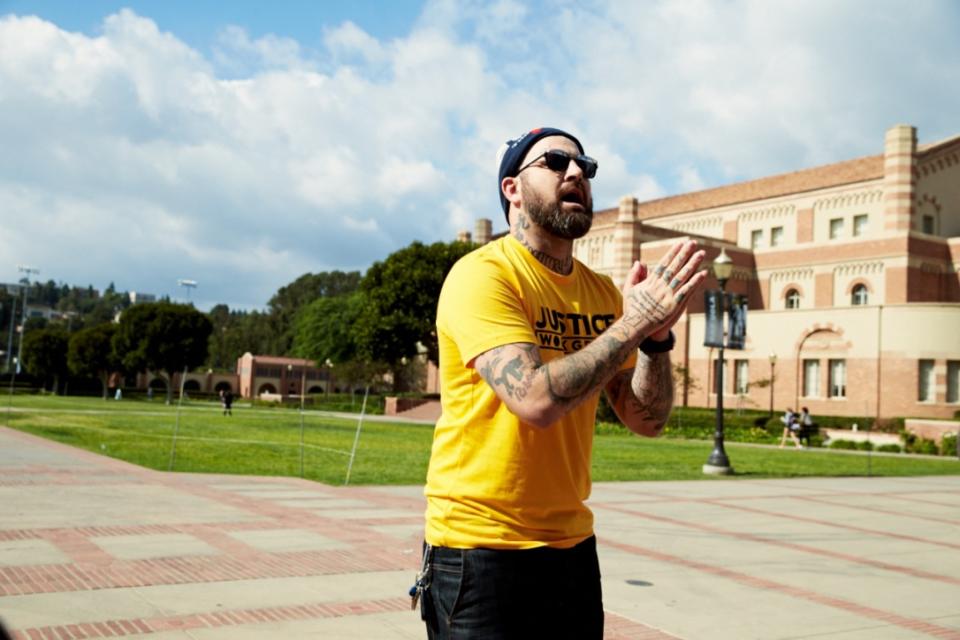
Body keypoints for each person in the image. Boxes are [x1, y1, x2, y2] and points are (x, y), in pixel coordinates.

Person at [418, 127, 707, 639]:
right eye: (555, 162)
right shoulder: (483, 276)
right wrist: (634, 323)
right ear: (512, 188)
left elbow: (647, 419)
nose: (576, 173)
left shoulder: (600, 292)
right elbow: (533, 398)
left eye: (585, 167)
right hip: (479, 551)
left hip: (571, 549)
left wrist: (656, 342)